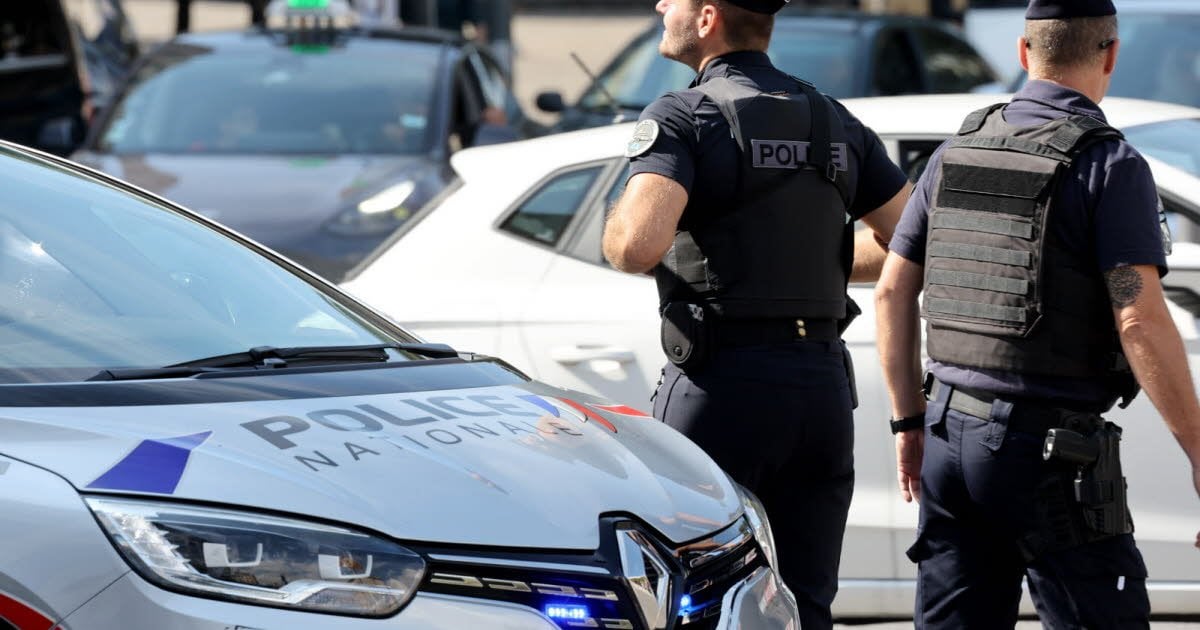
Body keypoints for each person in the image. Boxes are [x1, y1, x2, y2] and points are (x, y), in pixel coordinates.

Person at [875, 0, 1200, 627]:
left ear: (1024, 53)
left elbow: (891, 291)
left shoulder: (958, 149)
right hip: (1047, 452)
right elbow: (1137, 317)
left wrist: (908, 423)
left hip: (947, 434)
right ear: (1111, 53)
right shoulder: (1111, 165)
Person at [601, 1, 910, 627]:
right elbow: (911, 240)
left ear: (708, 17)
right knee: (805, 602)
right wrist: (806, 259)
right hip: (820, 395)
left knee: (695, 601)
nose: (662, 5)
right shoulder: (832, 117)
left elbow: (636, 246)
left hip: (723, 390)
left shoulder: (684, 115)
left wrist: (617, 219)